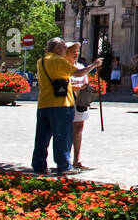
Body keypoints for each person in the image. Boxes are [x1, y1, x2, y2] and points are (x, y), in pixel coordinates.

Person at [31, 38, 96, 176]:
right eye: (63, 48)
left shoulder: (41, 61)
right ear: (58, 48)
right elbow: (79, 73)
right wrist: (93, 65)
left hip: (43, 103)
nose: (65, 50)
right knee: (63, 136)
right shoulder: (58, 60)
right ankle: (64, 165)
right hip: (61, 104)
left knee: (42, 137)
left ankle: (39, 165)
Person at [69, 43, 101, 171]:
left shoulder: (80, 66)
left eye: (77, 51)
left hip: (80, 101)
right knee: (66, 131)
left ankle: (76, 159)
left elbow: (85, 81)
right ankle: (64, 160)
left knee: (78, 130)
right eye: (73, 51)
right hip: (68, 101)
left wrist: (84, 87)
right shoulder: (64, 66)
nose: (76, 53)